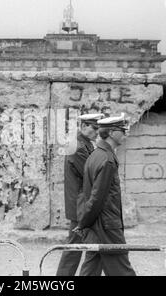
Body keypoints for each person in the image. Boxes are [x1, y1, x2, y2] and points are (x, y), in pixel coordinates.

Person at [75, 113, 136, 276]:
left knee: (91, 269)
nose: (125, 134)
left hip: (97, 225)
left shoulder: (96, 155)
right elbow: (96, 198)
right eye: (122, 130)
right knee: (123, 271)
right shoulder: (107, 160)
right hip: (107, 226)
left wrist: (85, 222)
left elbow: (89, 194)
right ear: (111, 133)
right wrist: (83, 223)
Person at [56, 113, 104, 276]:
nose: (97, 132)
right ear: (84, 127)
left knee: (79, 245)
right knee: (76, 246)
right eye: (95, 128)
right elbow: (91, 174)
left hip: (82, 203)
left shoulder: (84, 143)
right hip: (80, 204)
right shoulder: (77, 146)